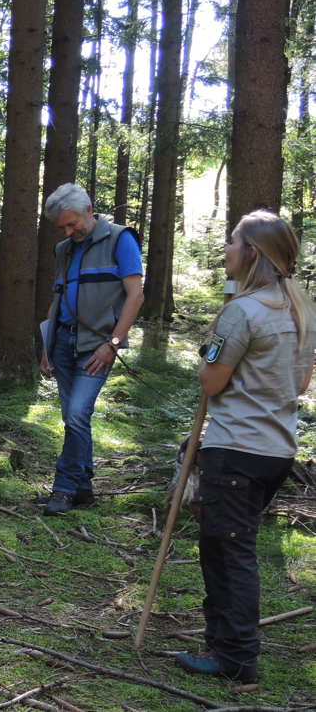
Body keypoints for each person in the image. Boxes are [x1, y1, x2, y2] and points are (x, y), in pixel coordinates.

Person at [176, 210, 315, 684]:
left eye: (233, 243)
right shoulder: (301, 308)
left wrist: (211, 349)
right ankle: (223, 642)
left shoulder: (241, 312)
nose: (226, 251)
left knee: (229, 552)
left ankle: (236, 657)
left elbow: (211, 380)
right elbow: (301, 381)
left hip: (237, 447)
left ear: (252, 253)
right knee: (223, 546)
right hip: (276, 449)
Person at [36, 182, 144, 515]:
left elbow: (136, 295)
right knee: (73, 418)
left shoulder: (120, 239)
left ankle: (64, 488)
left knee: (78, 414)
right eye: (63, 227)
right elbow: (58, 298)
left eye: (73, 224)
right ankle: (83, 486)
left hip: (96, 347)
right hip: (63, 341)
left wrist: (112, 344)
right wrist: (47, 347)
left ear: (88, 210)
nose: (70, 231)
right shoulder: (63, 250)